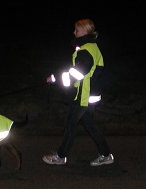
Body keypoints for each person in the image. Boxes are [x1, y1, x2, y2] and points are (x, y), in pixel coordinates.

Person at [42, 18, 114, 166]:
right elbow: (81, 69)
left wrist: (56, 79)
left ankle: (60, 156)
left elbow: (78, 72)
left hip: (83, 95)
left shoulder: (86, 50)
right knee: (89, 124)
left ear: (85, 31)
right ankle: (106, 155)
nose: (74, 32)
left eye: (77, 29)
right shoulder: (91, 47)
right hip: (91, 93)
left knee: (70, 124)